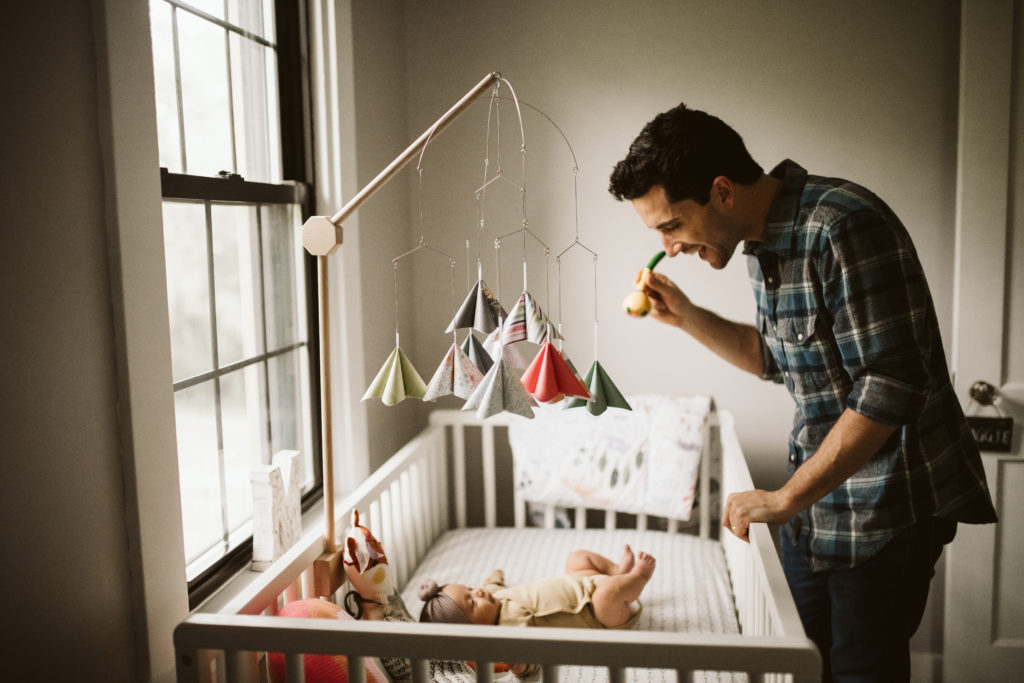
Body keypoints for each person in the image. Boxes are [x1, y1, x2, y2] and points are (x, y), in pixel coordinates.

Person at [608, 103, 997, 683]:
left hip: (888, 510)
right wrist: (687, 317)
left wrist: (784, 498)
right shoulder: (760, 243)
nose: (669, 247)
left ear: (722, 191)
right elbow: (776, 359)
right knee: (799, 665)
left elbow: (890, 386)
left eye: (671, 225)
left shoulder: (842, 225)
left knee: (861, 672)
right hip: (819, 507)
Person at [418, 545, 654, 632]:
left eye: (470, 589)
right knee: (607, 594)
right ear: (472, 631)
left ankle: (615, 571)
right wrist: (522, 668)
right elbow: (529, 652)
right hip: (598, 614)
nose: (478, 593)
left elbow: (488, 587)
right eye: (471, 603)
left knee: (577, 558)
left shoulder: (492, 597)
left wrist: (494, 576)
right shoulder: (508, 627)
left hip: (582, 583)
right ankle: (638, 578)